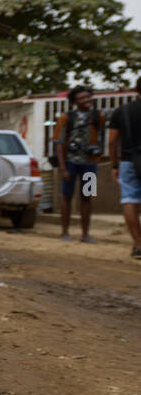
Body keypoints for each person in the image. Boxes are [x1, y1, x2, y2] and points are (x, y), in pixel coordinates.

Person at [52, 85, 105, 243]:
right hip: (70, 162)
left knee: (87, 196)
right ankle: (65, 232)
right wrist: (62, 167)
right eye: (82, 98)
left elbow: (100, 135)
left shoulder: (98, 116)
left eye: (88, 97)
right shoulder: (66, 118)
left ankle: (85, 234)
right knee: (67, 196)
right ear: (74, 101)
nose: (86, 100)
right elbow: (59, 143)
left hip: (90, 163)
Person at [107, 76, 141, 259]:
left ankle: (138, 245)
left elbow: (112, 141)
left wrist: (114, 164)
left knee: (130, 200)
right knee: (88, 193)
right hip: (87, 170)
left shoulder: (122, 111)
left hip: (128, 161)